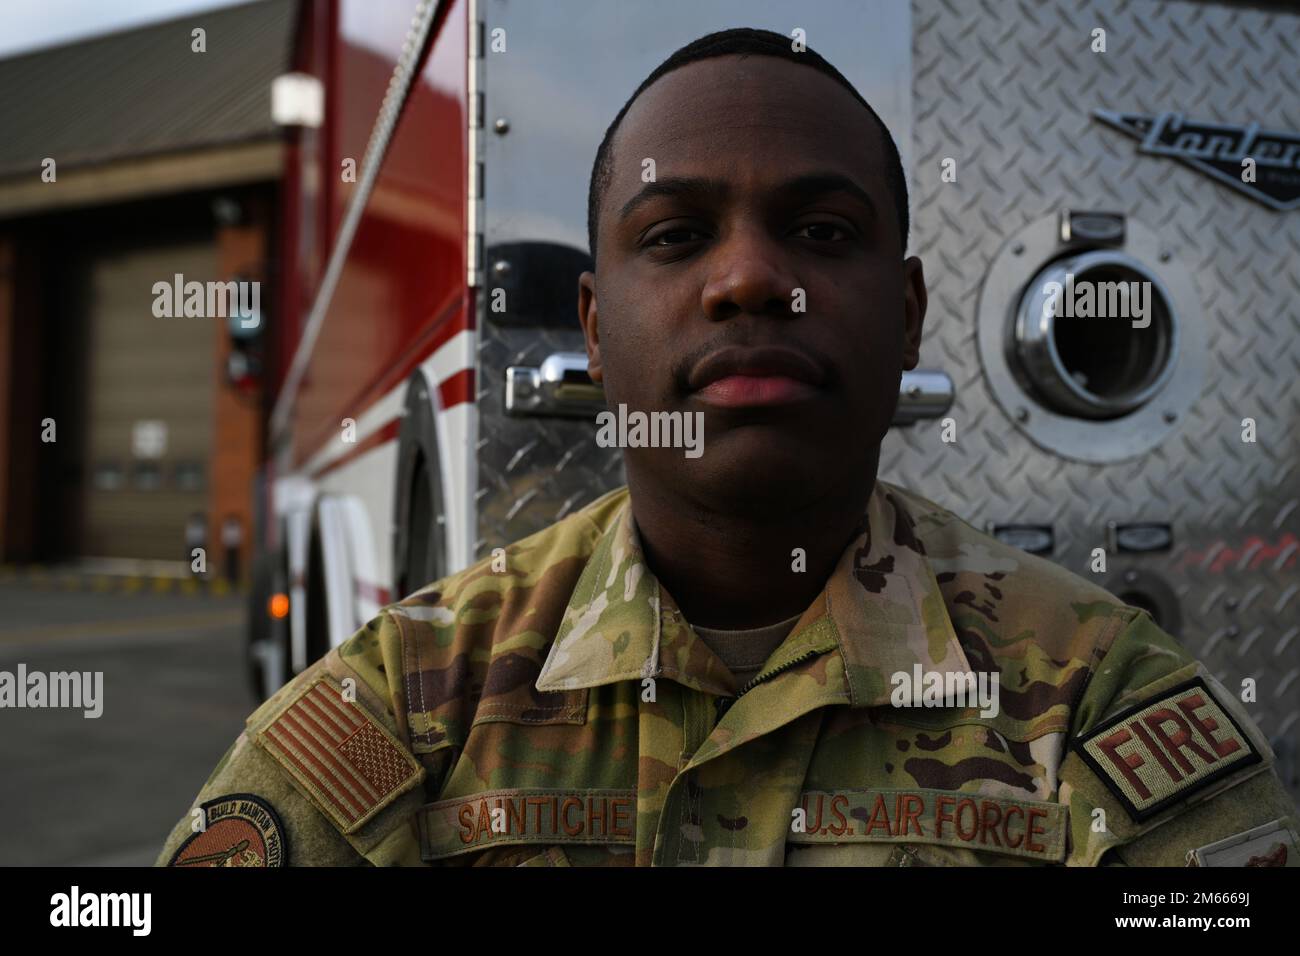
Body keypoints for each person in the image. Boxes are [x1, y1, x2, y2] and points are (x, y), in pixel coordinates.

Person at [157, 27, 1298, 867]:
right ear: (596, 330)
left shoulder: (1101, 694)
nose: (752, 277)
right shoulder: (408, 698)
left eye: (821, 230)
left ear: (904, 318)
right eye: (676, 233)